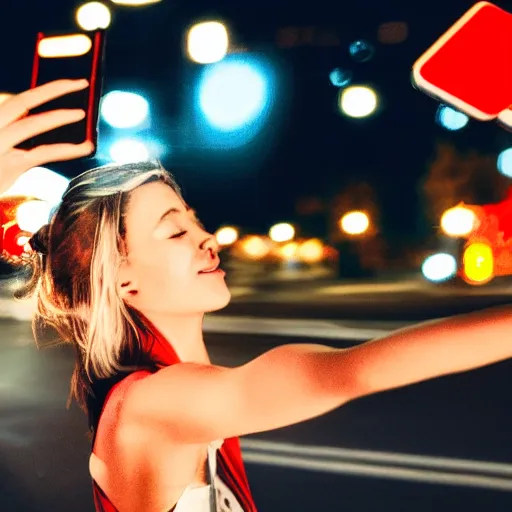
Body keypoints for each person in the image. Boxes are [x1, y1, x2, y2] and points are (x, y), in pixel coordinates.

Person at [2, 79, 512, 512]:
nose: (209, 238)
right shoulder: (155, 401)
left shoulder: (157, 390)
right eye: (174, 231)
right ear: (122, 281)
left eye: (195, 219)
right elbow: (358, 370)